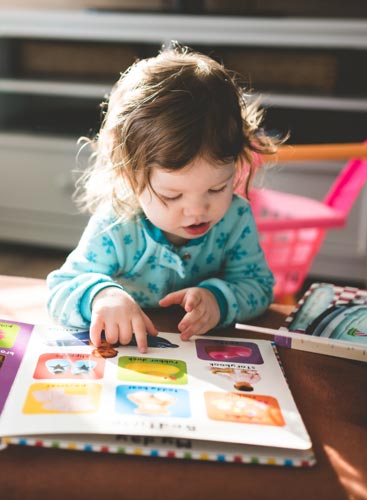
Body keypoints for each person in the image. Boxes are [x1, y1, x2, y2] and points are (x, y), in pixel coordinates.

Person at [46, 45, 279, 353]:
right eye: (172, 195)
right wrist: (102, 296)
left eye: (217, 188)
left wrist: (218, 299)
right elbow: (60, 289)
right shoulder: (116, 224)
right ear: (130, 177)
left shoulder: (235, 219)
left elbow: (259, 287)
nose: (198, 210)